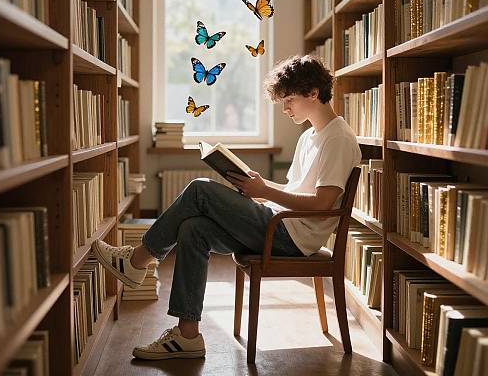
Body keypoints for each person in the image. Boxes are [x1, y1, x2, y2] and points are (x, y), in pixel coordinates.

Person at [92, 54, 361, 361]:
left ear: (313, 93)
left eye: (289, 100)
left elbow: (322, 204)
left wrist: (264, 189)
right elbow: (295, 191)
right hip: (280, 223)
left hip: (291, 239)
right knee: (193, 229)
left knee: (199, 190)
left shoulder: (337, 138)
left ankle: (136, 261)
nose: (285, 109)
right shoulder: (310, 136)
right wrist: (260, 193)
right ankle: (187, 335)